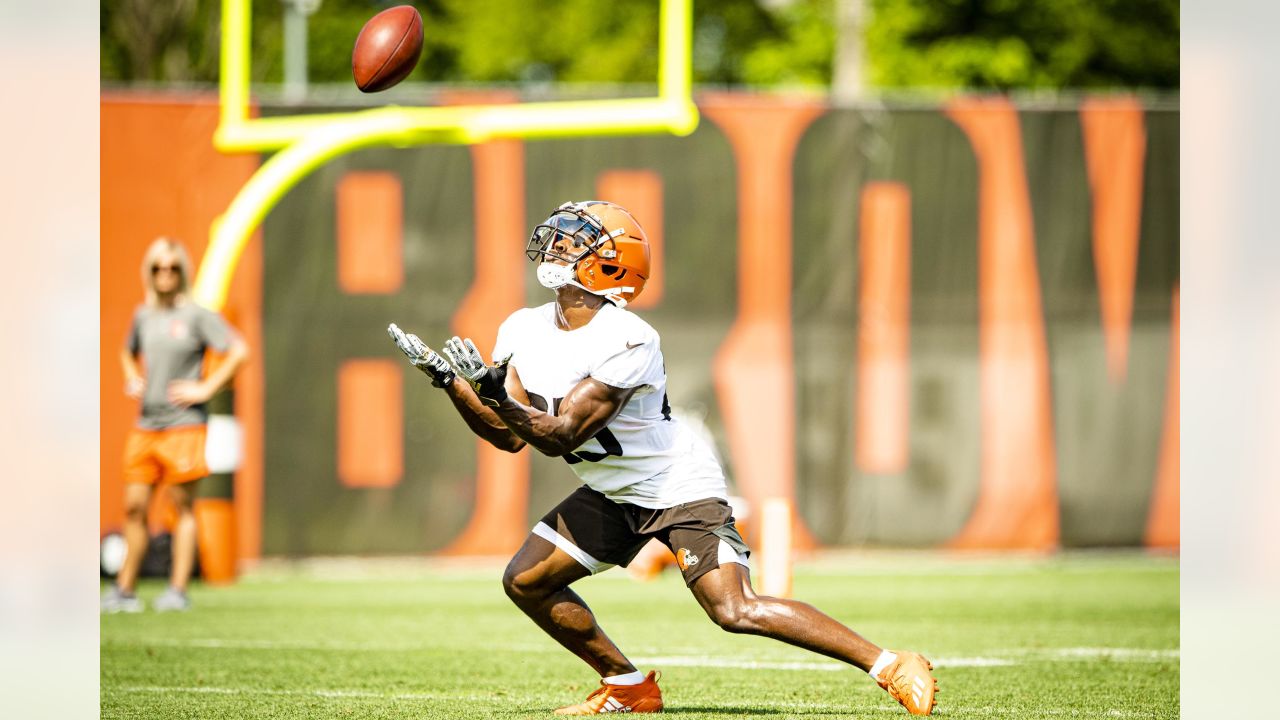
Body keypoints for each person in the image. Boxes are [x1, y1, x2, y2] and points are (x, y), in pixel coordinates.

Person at [388, 201, 939, 715]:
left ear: (608, 265)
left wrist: (494, 391)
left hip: (675, 485)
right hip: (612, 488)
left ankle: (889, 664)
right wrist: (452, 384)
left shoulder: (629, 338)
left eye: (572, 243)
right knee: (526, 580)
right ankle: (627, 686)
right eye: (555, 240)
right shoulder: (522, 327)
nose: (555, 249)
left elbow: (559, 435)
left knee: (734, 610)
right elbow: (507, 436)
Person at [101, 237, 249, 613]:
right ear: (148, 273)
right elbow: (125, 350)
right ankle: (124, 589)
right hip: (146, 425)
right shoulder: (144, 315)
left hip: (184, 425)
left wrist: (206, 387)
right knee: (134, 507)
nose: (165, 274)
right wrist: (132, 375)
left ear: (183, 271)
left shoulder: (197, 315)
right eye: (157, 268)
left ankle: (177, 590)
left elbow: (239, 350)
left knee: (182, 507)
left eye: (172, 267)